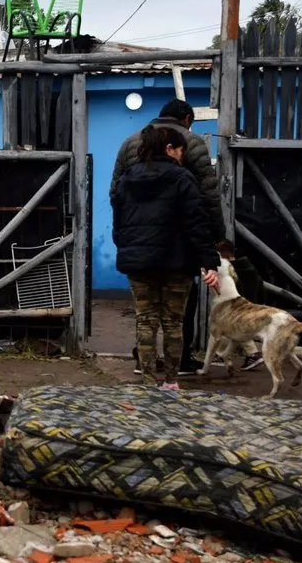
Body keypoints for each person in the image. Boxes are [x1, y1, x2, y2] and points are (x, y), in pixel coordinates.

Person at [111, 99, 225, 375]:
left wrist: (125, 243)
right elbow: (206, 201)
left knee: (145, 318)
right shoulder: (189, 155)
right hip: (178, 253)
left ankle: (146, 370)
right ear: (186, 120)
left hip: (138, 253)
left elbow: (116, 199)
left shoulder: (128, 145)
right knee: (175, 319)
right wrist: (213, 246)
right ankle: (178, 370)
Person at [214, 239, 264, 370]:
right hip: (250, 305)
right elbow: (260, 288)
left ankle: (252, 354)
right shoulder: (247, 266)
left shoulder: (231, 269)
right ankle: (223, 355)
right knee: (233, 330)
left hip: (239, 305)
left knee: (231, 329)